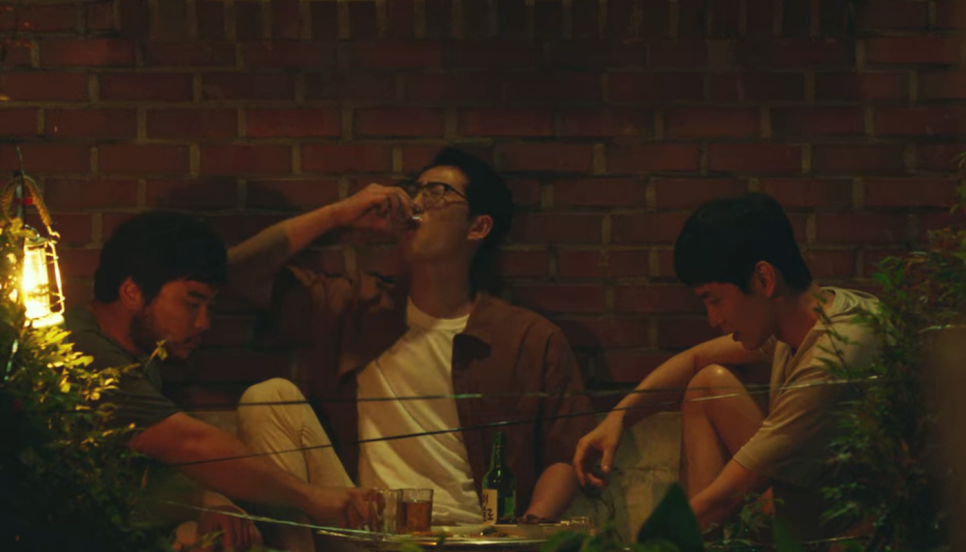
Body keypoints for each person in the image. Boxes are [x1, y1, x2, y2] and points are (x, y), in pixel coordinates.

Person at [229, 147, 595, 549]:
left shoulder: (528, 338)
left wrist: (522, 534)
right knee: (268, 398)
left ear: (477, 227)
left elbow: (565, 453)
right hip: (366, 531)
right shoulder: (357, 305)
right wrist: (339, 214)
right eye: (414, 190)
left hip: (470, 538)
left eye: (437, 193)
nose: (416, 203)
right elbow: (235, 273)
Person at [572, 193, 879, 542]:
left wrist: (646, 546)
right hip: (811, 506)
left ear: (764, 279)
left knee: (720, 510)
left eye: (714, 300)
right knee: (707, 384)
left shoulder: (836, 353)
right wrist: (619, 417)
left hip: (853, 533)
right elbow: (694, 359)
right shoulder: (802, 315)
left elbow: (723, 500)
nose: (713, 320)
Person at [64, 212, 370, 552]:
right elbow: (187, 443)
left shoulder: (139, 361)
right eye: (192, 303)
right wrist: (311, 497)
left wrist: (207, 500)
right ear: (132, 292)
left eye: (209, 307)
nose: (203, 323)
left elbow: (152, 472)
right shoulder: (82, 350)